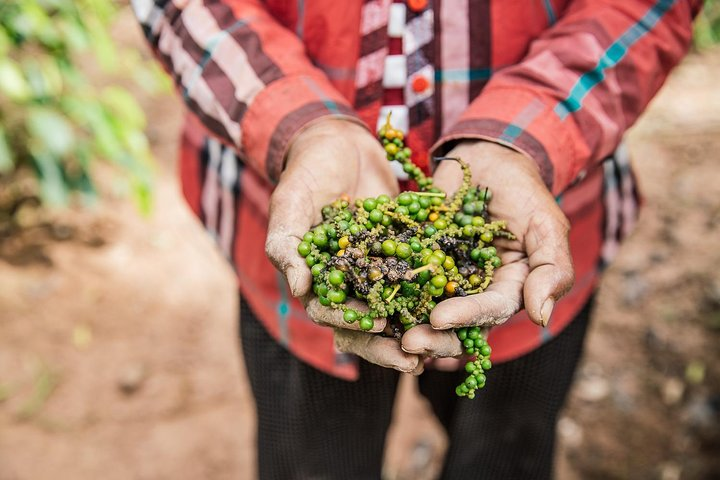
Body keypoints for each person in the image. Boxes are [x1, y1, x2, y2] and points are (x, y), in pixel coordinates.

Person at [133, 0, 699, 478]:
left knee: (507, 454)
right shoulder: (344, 247)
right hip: (282, 223)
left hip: (531, 230)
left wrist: (528, 134)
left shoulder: (484, 237)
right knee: (310, 457)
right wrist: (299, 121)